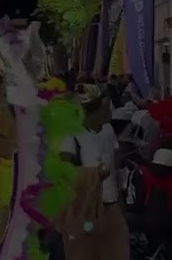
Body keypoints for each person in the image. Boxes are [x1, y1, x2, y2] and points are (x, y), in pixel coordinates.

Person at [58, 93, 129, 260]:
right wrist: (95, 174)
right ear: (93, 112)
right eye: (105, 108)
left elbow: (115, 162)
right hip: (86, 209)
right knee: (84, 250)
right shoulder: (71, 135)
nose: (110, 112)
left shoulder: (109, 130)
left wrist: (120, 198)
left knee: (117, 250)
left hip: (111, 205)